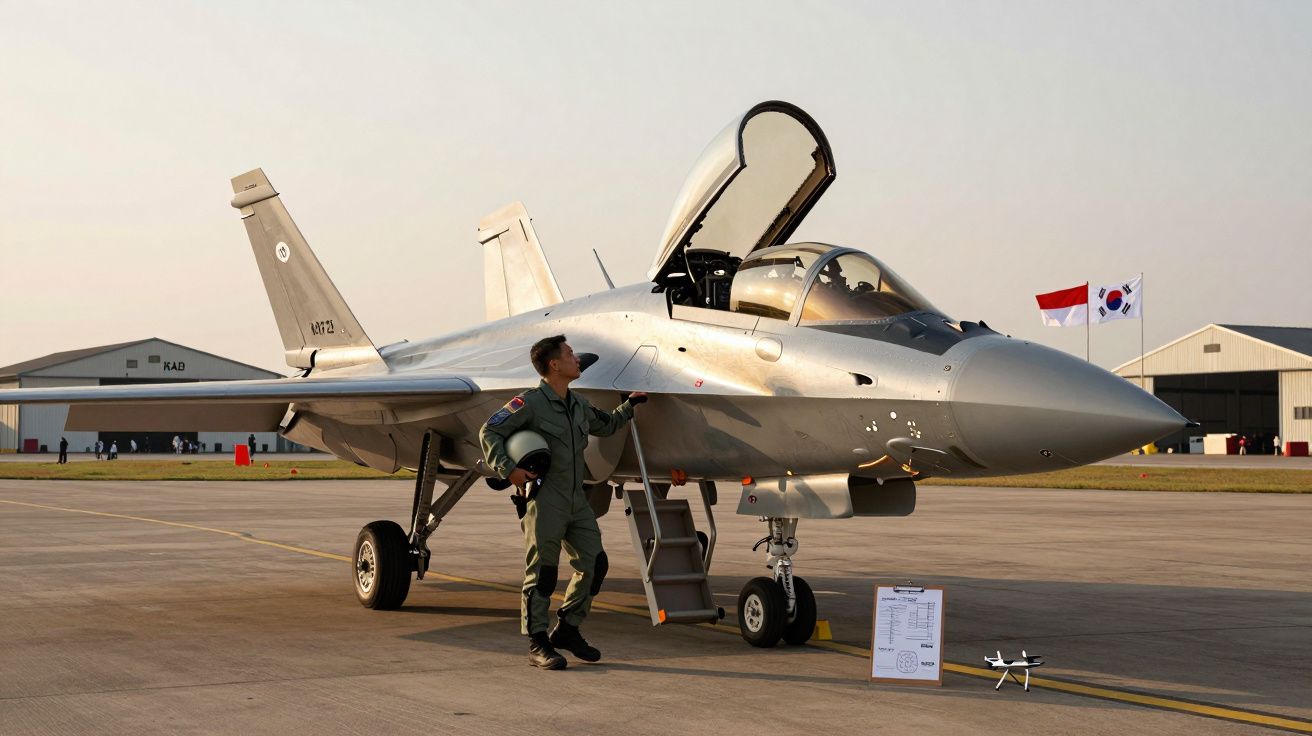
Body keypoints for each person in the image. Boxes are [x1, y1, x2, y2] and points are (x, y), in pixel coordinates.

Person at [480, 335, 646, 670]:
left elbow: (607, 424)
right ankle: (537, 642)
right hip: (544, 500)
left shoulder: (578, 403)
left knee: (594, 563)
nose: (576, 359)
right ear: (554, 364)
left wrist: (630, 405)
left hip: (576, 500)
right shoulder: (528, 403)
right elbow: (489, 431)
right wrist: (509, 470)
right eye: (570, 354)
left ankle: (568, 628)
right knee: (543, 573)